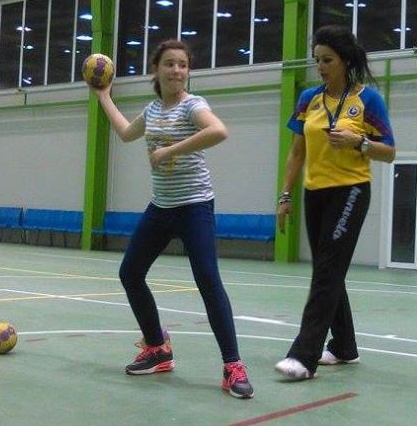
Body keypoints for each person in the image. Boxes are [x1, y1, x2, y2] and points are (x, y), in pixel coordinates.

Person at [91, 40, 254, 399]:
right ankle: (157, 348)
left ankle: (233, 366)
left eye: (183, 64)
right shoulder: (152, 110)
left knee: (208, 281)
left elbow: (218, 130)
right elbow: (125, 132)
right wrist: (103, 95)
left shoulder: (193, 105)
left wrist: (169, 151)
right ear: (156, 69)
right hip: (161, 208)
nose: (177, 70)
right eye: (169, 64)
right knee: (130, 273)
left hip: (195, 207)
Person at [274, 25, 396, 380]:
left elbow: (389, 151)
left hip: (351, 190)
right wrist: (285, 194)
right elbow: (297, 152)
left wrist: (359, 143)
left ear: (344, 61)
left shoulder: (368, 100)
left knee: (327, 271)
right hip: (316, 193)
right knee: (327, 270)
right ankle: (344, 347)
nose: (320, 67)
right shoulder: (308, 99)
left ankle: (303, 356)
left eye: (327, 60)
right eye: (317, 60)